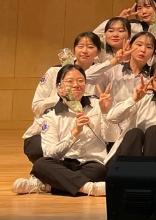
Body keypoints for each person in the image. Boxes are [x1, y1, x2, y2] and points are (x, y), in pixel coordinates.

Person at [14, 65, 113, 196]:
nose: (76, 85)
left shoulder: (98, 104)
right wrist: (74, 134)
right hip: (62, 162)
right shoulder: (50, 115)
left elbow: (111, 138)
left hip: (90, 163)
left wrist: (106, 113)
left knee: (99, 171)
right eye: (70, 81)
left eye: (81, 81)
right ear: (59, 88)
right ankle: (90, 188)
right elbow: (50, 153)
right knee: (40, 165)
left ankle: (47, 185)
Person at [27, 32, 103, 164]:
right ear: (74, 50)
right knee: (39, 152)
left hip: (85, 133)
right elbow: (36, 106)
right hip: (53, 128)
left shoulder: (103, 74)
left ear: (98, 52)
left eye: (90, 47)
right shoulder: (54, 72)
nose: (85, 51)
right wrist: (62, 97)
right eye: (80, 46)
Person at [86, 31, 155, 108]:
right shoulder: (114, 70)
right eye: (139, 45)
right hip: (111, 114)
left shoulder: (153, 77)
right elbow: (86, 76)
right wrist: (115, 60)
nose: (143, 49)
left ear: (153, 53)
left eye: (149, 47)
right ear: (130, 46)